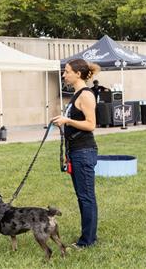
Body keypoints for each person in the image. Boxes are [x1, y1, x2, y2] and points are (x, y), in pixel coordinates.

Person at [52, 58, 99, 249]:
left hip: (85, 151)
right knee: (82, 196)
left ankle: (87, 241)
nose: (64, 75)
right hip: (76, 151)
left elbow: (91, 124)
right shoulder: (76, 94)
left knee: (86, 196)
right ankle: (87, 236)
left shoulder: (86, 95)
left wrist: (67, 121)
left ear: (78, 74)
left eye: (67, 71)